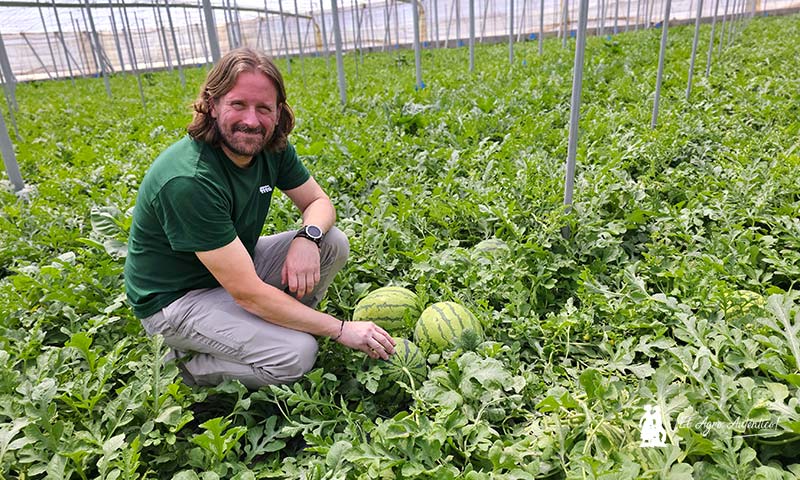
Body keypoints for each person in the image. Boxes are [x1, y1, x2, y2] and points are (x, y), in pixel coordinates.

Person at [123, 47, 395, 389]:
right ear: (212, 103)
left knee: (331, 242)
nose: (251, 121)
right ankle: (183, 368)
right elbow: (248, 293)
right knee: (296, 355)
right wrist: (339, 329)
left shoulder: (270, 147)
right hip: (177, 300)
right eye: (238, 105)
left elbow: (318, 201)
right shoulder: (189, 180)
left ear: (278, 112)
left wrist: (306, 238)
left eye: (263, 108)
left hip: (231, 271)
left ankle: (275, 325)